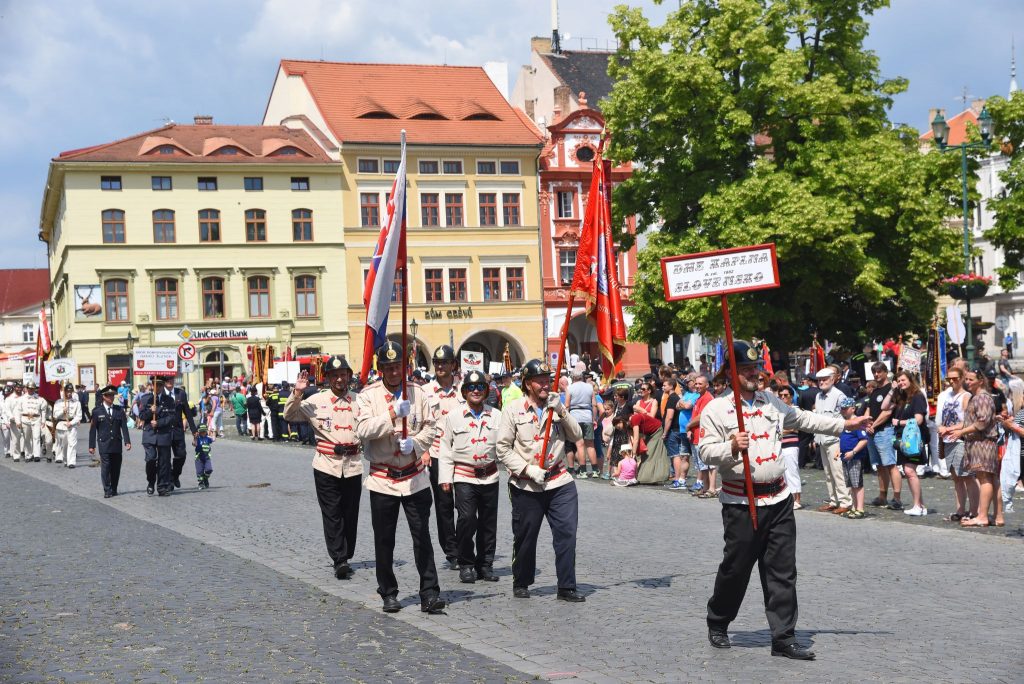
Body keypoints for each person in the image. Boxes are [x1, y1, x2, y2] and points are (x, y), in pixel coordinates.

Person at [700, 340, 870, 660]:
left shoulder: (771, 403)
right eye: (746, 368)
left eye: (755, 368)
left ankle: (783, 637)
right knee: (736, 569)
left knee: (782, 570)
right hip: (741, 502)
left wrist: (845, 423)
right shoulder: (716, 409)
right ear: (730, 371)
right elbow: (706, 452)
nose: (753, 373)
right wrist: (731, 447)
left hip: (778, 499)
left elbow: (804, 419)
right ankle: (719, 621)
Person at [354, 340, 444, 614]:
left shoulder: (418, 392)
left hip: (414, 477)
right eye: (388, 367)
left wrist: (416, 445)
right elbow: (362, 430)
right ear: (380, 369)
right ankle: (388, 592)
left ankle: (429, 593)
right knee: (384, 539)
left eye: (398, 367)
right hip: (383, 479)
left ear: (406, 366)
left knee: (422, 538)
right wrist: (392, 413)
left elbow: (431, 428)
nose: (394, 372)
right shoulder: (367, 396)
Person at [495, 358, 585, 602]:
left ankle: (566, 586)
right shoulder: (513, 410)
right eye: (540, 381)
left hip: (558, 480)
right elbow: (502, 449)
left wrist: (562, 411)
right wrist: (527, 469)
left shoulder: (556, 406)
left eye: (547, 380)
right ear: (527, 383)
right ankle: (521, 580)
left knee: (566, 533)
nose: (545, 385)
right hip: (527, 483)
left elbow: (577, 435)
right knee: (526, 535)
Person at [284, 356, 363, 581]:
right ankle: (340, 559)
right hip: (326, 464)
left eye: (343, 374)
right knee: (332, 513)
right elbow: (289, 415)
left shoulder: (360, 401)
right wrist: (297, 393)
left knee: (350, 513)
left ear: (349, 376)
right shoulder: (316, 401)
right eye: (334, 375)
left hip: (353, 465)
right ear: (327, 378)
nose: (339, 379)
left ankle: (347, 553)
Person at [437, 370, 501, 584]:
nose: (476, 391)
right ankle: (466, 563)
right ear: (464, 392)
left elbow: (506, 444)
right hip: (464, 476)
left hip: (490, 475)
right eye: (471, 387)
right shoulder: (452, 416)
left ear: (486, 391)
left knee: (488, 522)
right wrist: (445, 478)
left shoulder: (497, 415)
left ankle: (485, 564)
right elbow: (445, 449)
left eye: (480, 387)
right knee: (466, 519)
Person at [423, 344, 461, 571]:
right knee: (444, 505)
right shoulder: (426, 391)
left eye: (444, 362)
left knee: (467, 506)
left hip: (463, 453)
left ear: (453, 365)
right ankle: (452, 551)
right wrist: (424, 451)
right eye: (437, 363)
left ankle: (466, 544)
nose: (440, 366)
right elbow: (421, 423)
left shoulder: (465, 389)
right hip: (438, 454)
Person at [951, 369, 1002, 527]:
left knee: (984, 478)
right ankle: (998, 517)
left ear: (980, 380)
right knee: (992, 479)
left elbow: (982, 422)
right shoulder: (979, 397)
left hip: (982, 443)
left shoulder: (981, 397)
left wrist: (962, 431)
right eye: (966, 379)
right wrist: (955, 429)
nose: (967, 382)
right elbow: (974, 421)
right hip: (982, 442)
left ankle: (982, 516)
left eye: (971, 379)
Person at [881, 371, 929, 516]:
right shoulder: (902, 396)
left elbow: (919, 420)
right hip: (903, 440)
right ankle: (921, 505)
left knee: (909, 471)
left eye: (903, 380)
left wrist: (899, 422)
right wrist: (892, 389)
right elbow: (884, 406)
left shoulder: (918, 396)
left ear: (910, 380)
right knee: (908, 472)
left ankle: (917, 506)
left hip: (913, 440)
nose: (901, 382)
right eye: (899, 380)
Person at [937, 367, 974, 520]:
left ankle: (974, 511)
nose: (952, 381)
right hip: (947, 440)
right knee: (956, 477)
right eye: (949, 379)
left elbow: (967, 421)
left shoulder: (966, 396)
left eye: (955, 378)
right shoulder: (947, 396)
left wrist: (949, 428)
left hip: (960, 439)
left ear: (962, 378)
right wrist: (941, 427)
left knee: (966, 476)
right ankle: (960, 510)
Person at [813, 367, 851, 515]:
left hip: (835, 438)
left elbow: (846, 415)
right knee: (828, 473)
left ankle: (845, 502)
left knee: (838, 472)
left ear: (833, 379)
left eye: (824, 379)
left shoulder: (839, 395)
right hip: (822, 438)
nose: (821, 382)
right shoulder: (818, 396)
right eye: (819, 380)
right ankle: (833, 500)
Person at [865, 363, 901, 508]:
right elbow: (869, 408)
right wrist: (867, 423)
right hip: (872, 432)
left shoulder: (892, 390)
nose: (876, 375)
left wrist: (873, 426)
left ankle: (897, 498)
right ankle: (882, 496)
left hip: (884, 430)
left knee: (891, 464)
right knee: (879, 466)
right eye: (874, 372)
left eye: (879, 372)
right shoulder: (874, 390)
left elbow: (887, 412)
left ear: (886, 372)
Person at [88, 385, 131, 498]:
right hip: (104, 443)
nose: (111, 398)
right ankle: (107, 489)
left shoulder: (119, 410)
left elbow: (124, 427)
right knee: (106, 467)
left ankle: (114, 488)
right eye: (109, 396)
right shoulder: (97, 411)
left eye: (112, 396)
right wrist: (91, 445)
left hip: (116, 443)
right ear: (104, 397)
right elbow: (93, 430)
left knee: (116, 467)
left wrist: (127, 441)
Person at [139, 376, 176, 496]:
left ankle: (162, 487)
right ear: (152, 385)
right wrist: (151, 411)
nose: (158, 387)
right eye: (155, 385)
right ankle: (150, 482)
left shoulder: (169, 400)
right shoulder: (145, 399)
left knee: (163, 462)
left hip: (163, 435)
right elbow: (141, 416)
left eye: (160, 385)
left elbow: (172, 418)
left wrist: (159, 423)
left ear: (162, 386)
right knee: (151, 459)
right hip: (149, 435)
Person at [163, 375, 197, 490]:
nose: (169, 382)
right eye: (167, 380)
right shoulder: (159, 394)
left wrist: (194, 430)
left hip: (178, 430)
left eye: (171, 379)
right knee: (165, 458)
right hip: (164, 431)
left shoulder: (180, 393)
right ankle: (168, 482)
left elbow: (187, 412)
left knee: (181, 455)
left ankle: (175, 475)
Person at [838, 397, 868, 518]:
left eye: (846, 409)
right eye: (842, 409)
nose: (843, 411)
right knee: (851, 484)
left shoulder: (857, 422)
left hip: (855, 458)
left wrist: (854, 452)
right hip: (845, 457)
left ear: (853, 408)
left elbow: (864, 440)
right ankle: (854, 507)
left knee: (857, 484)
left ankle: (860, 509)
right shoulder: (845, 423)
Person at [567, 370, 598, 478]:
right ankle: (595, 470)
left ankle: (583, 471)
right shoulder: (589, 387)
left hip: (575, 415)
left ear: (572, 377)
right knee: (590, 445)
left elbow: (567, 405)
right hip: (587, 415)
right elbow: (594, 405)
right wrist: (594, 418)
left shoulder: (570, 388)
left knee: (579, 445)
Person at [777, 386, 803, 509]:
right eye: (781, 395)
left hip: (791, 445)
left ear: (791, 397)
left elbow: (794, 428)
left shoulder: (795, 410)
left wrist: (779, 431)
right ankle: (789, 499)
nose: (783, 397)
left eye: (785, 395)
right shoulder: (779, 410)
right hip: (781, 445)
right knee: (784, 473)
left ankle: (797, 499)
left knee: (792, 471)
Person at [52, 383, 83, 467]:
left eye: (71, 391)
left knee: (72, 444)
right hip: (61, 425)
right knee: (63, 444)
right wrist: (63, 411)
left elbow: (79, 416)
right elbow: (55, 415)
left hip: (72, 425)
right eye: (67, 391)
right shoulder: (58, 402)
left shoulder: (77, 403)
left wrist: (71, 423)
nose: (69, 393)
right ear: (64, 391)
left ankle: (71, 462)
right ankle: (65, 459)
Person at [18, 382, 47, 463]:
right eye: (29, 388)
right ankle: (28, 455)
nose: (31, 390)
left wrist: (43, 420)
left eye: (32, 388)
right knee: (26, 438)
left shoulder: (40, 399)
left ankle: (36, 455)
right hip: (25, 419)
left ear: (35, 389)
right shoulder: (21, 399)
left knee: (36, 437)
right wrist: (18, 421)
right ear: (27, 388)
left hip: (36, 419)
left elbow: (43, 410)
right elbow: (18, 410)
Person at [5, 383, 24, 459]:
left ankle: (25, 452)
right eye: (17, 387)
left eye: (20, 387)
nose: (19, 389)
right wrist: (11, 417)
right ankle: (16, 455)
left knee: (26, 438)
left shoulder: (24, 397)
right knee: (16, 438)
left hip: (25, 420)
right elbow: (7, 409)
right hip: (14, 421)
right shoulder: (9, 398)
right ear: (14, 388)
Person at [193, 424, 214, 489]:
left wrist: (213, 432)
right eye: (201, 432)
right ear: (198, 432)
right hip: (199, 458)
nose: (203, 433)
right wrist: (195, 438)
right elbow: (194, 444)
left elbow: (213, 439)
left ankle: (205, 478)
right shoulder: (197, 438)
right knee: (199, 472)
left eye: (204, 431)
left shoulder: (207, 438)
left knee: (209, 469)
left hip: (207, 457)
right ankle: (201, 483)